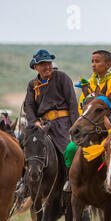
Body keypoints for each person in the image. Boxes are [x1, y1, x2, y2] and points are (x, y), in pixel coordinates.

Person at [63, 50, 111, 191]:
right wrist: (85, 121)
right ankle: (70, 180)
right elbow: (82, 106)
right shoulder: (88, 83)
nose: (93, 64)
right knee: (70, 148)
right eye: (92, 61)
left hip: (104, 124)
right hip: (89, 123)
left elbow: (110, 105)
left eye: (97, 61)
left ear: (107, 65)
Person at [24, 49, 79, 188]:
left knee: (67, 150)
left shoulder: (62, 77)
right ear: (36, 67)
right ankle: (24, 182)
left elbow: (72, 103)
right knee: (25, 146)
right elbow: (29, 106)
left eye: (49, 63)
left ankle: (69, 180)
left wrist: (75, 127)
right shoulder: (32, 85)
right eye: (43, 64)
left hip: (63, 124)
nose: (47, 66)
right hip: (41, 125)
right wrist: (36, 123)